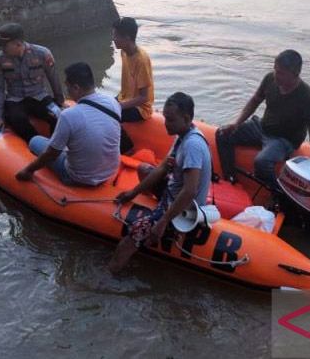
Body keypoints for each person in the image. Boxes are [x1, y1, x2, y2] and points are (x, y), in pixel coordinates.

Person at [108, 92, 212, 273]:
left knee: (129, 240)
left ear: (186, 118)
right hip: (172, 190)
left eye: (170, 120)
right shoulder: (183, 135)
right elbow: (163, 168)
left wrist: (163, 221)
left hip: (184, 208)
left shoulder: (192, 145)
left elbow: (190, 191)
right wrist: (133, 193)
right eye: (165, 118)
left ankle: (110, 274)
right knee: (144, 169)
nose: (165, 124)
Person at [216, 49, 310, 191]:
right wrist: (236, 124)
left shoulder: (308, 98)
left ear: (295, 73)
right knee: (222, 134)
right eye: (275, 70)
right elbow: (254, 101)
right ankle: (230, 179)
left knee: (262, 162)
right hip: (262, 126)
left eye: (281, 73)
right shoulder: (270, 79)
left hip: (284, 139)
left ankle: (278, 194)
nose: (276, 75)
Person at [17, 62, 121, 186]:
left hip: (79, 177)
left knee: (35, 141)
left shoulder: (68, 116)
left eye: (68, 87)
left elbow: (52, 154)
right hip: (109, 171)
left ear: (76, 88)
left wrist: (28, 170)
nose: (67, 91)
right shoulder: (113, 103)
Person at [0, 23, 65, 143]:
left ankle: (56, 145)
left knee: (58, 116)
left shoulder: (43, 54)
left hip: (39, 96)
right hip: (15, 99)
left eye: (5, 45)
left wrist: (60, 101)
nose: (2, 49)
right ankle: (37, 145)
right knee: (17, 119)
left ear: (17, 44)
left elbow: (54, 79)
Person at [112, 17, 154, 154]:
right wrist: (118, 101)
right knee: (102, 106)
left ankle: (127, 148)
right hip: (125, 97)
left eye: (116, 36)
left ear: (127, 38)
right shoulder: (124, 52)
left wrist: (119, 106)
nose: (113, 39)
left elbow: (144, 97)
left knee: (110, 114)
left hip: (140, 108)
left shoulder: (141, 59)